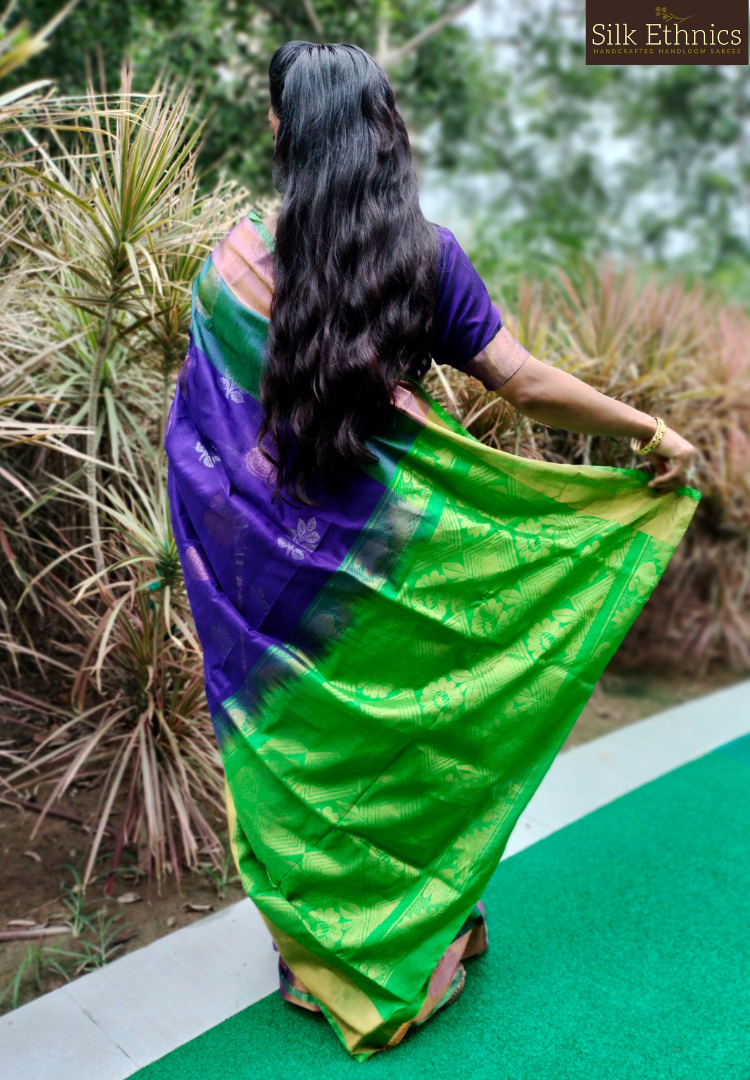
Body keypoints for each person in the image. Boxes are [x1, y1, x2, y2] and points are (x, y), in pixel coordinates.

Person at [166, 41, 698, 1061]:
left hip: (273, 590)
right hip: (400, 570)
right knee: (410, 746)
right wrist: (649, 433)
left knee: (307, 759)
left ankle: (315, 958)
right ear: (379, 130)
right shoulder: (425, 255)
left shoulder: (229, 269)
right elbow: (525, 381)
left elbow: (203, 444)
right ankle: (432, 934)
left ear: (286, 129)